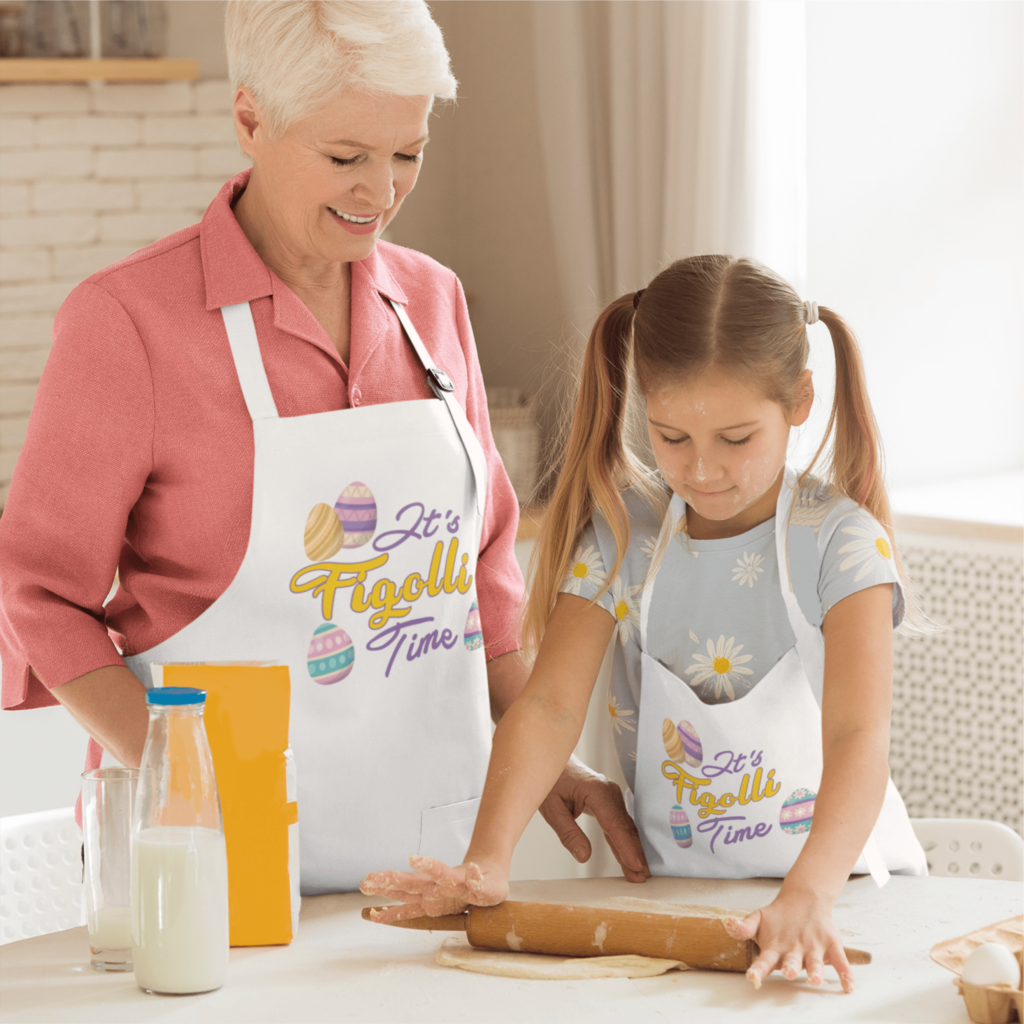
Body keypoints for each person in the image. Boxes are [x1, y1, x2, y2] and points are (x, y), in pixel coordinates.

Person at [0, 0, 645, 894]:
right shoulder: (128, 322)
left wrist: (544, 758)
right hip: (207, 849)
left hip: (429, 854)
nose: (380, 191)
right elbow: (37, 594)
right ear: (250, 120)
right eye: (346, 157)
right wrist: (182, 776)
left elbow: (481, 572)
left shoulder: (432, 301)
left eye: (408, 153)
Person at [360, 255, 928, 989]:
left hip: (839, 900)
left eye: (736, 439)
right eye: (671, 437)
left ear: (800, 400)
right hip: (679, 904)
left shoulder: (841, 545)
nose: (703, 471)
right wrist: (488, 858)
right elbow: (549, 705)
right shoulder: (627, 534)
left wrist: (808, 895)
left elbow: (858, 736)